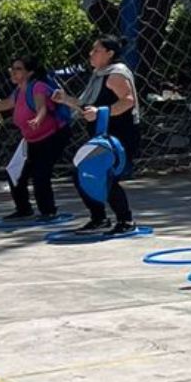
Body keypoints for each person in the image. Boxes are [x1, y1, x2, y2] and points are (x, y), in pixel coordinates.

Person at [57, 35, 139, 234]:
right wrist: (65, 99)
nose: (91, 54)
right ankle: (99, 217)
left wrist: (102, 112)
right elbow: (86, 107)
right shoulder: (99, 75)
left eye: (96, 50)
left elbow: (128, 101)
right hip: (102, 136)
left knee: (105, 175)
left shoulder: (116, 75)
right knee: (82, 172)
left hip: (119, 136)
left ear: (110, 53)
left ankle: (125, 220)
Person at [0, 55, 67, 220]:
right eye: (12, 68)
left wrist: (37, 119)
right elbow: (5, 104)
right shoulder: (19, 91)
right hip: (31, 140)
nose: (13, 72)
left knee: (40, 174)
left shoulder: (37, 87)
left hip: (52, 137)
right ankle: (23, 209)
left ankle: (48, 211)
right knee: (14, 172)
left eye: (18, 69)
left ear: (29, 73)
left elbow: (42, 107)